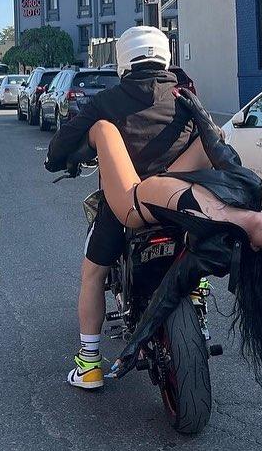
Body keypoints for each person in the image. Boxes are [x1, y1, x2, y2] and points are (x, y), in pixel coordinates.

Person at [80, 88, 262, 410]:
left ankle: (88, 363)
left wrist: (134, 345)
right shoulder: (249, 186)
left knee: (103, 129)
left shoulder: (215, 248)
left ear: (257, 247)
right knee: (217, 134)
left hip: (134, 202)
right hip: (168, 178)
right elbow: (217, 146)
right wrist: (193, 105)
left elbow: (170, 289)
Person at [45, 26, 197, 390]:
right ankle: (199, 315)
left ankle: (90, 365)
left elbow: (63, 142)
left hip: (126, 205)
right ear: (166, 57)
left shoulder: (108, 101)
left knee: (93, 274)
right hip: (181, 202)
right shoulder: (186, 95)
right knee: (196, 247)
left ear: (123, 61)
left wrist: (58, 160)